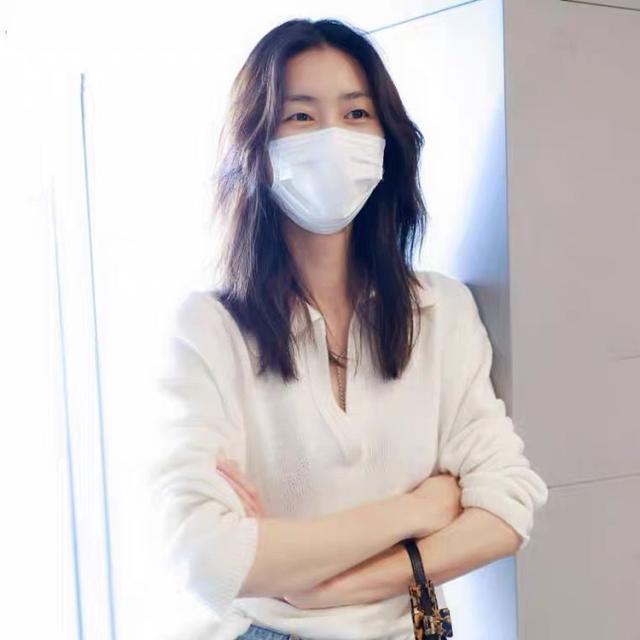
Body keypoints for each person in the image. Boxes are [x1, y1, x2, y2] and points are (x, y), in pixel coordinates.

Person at [149, 17, 549, 640]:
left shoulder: (440, 310)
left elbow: (508, 506)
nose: (332, 136)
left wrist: (324, 587)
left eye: (356, 113)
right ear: (256, 147)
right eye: (301, 116)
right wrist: (417, 509)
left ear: (387, 139)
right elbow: (205, 556)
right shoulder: (209, 328)